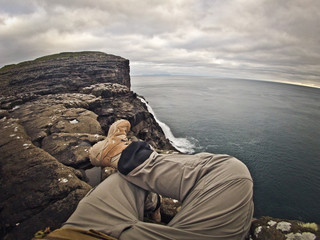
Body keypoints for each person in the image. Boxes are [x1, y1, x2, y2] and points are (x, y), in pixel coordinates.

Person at [44, 119, 254, 240]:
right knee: (232, 171)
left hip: (77, 232)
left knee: (127, 178)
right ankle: (117, 155)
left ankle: (151, 204)